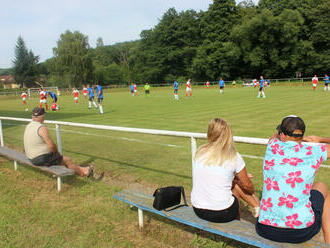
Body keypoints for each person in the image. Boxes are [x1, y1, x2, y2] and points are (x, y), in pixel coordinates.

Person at [255, 115, 330, 244]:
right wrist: (319, 139)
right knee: (322, 187)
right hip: (300, 232)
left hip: (265, 229)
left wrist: (288, 135)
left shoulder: (272, 146)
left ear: (282, 135)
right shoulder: (314, 151)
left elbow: (274, 136)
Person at [191, 118, 260, 223]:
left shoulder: (200, 151)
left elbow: (215, 175)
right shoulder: (233, 156)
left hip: (198, 209)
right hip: (222, 213)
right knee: (236, 185)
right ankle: (254, 209)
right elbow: (248, 187)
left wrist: (236, 178)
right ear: (228, 134)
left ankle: (257, 206)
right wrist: (243, 182)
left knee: (234, 182)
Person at [23, 107, 93, 177]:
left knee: (62, 160)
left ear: (33, 116)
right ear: (42, 116)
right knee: (67, 160)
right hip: (39, 159)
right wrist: (57, 153)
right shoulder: (41, 128)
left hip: (30, 157)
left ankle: (82, 169)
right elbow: (51, 146)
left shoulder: (29, 125)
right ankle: (83, 173)